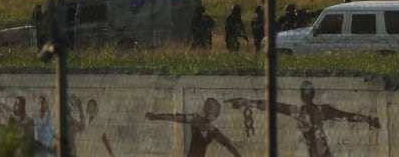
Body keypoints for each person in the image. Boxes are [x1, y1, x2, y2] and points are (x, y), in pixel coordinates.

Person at [227, 80, 379, 157]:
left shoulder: (300, 112)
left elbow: (272, 105)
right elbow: (348, 115)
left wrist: (246, 102)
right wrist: (368, 119)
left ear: (302, 95)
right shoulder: (321, 110)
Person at [146, 97, 241, 157]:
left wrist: (155, 117)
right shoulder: (212, 131)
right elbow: (230, 147)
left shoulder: (196, 120)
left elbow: (174, 117)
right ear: (215, 115)